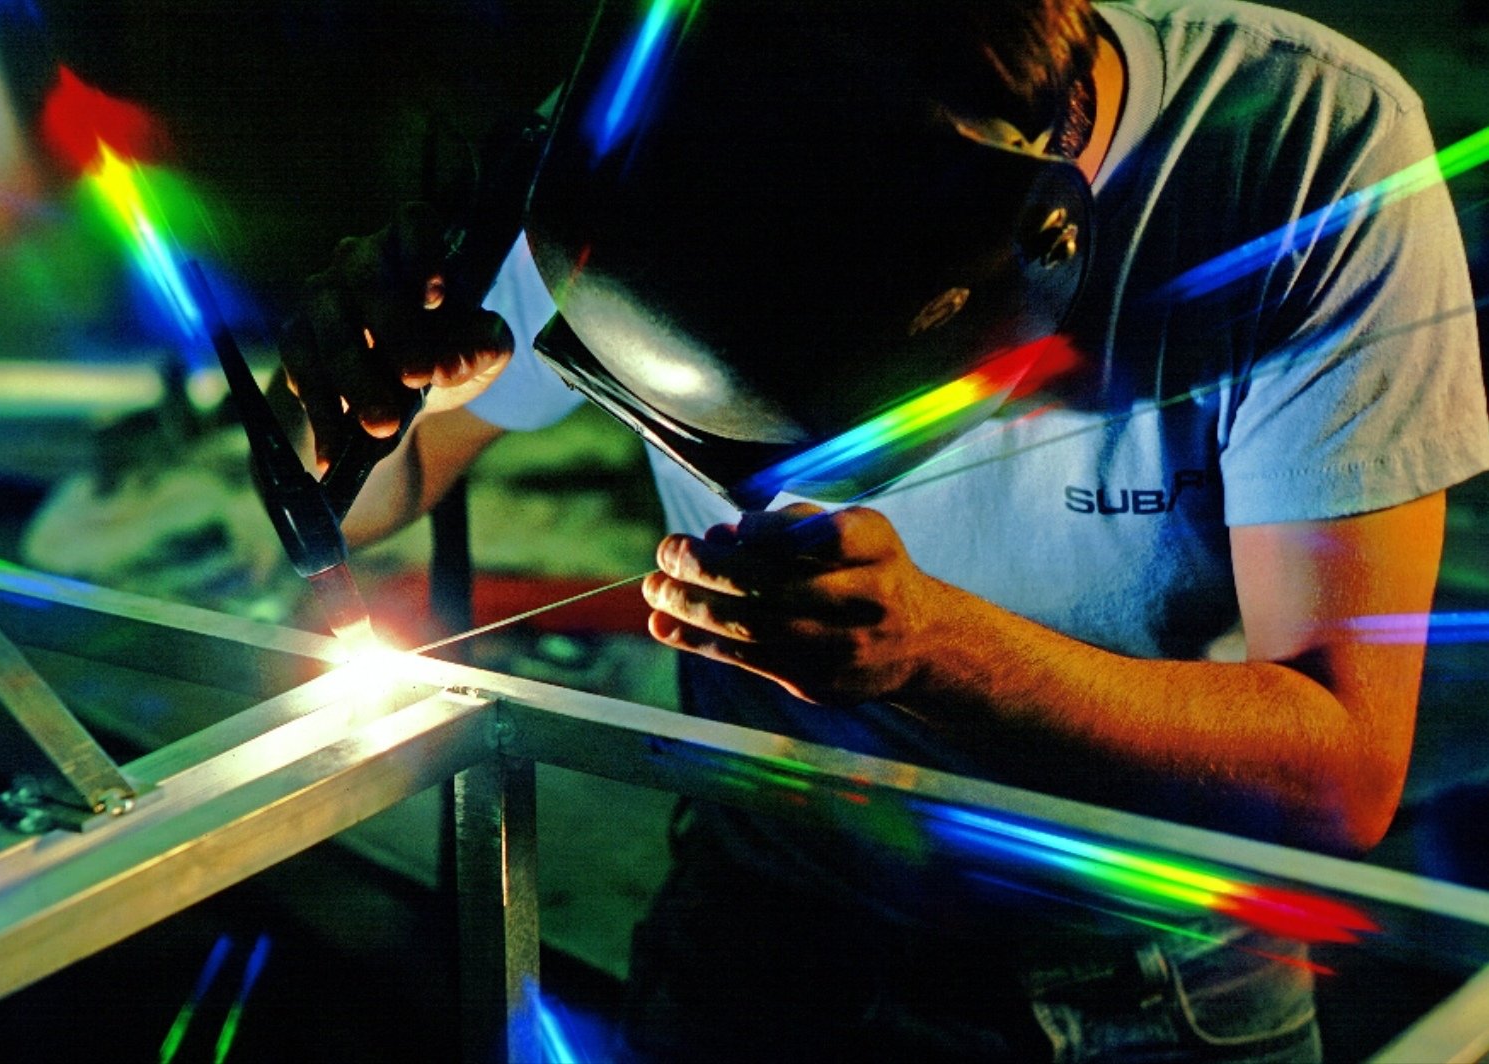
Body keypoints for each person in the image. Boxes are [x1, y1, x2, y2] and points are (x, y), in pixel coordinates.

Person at [278, 0, 1489, 1059]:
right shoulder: (659, 132)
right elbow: (378, 488)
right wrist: (354, 392)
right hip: (758, 927)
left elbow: (1338, 771)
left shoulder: (1303, 156)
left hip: (1145, 973)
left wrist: (938, 653)